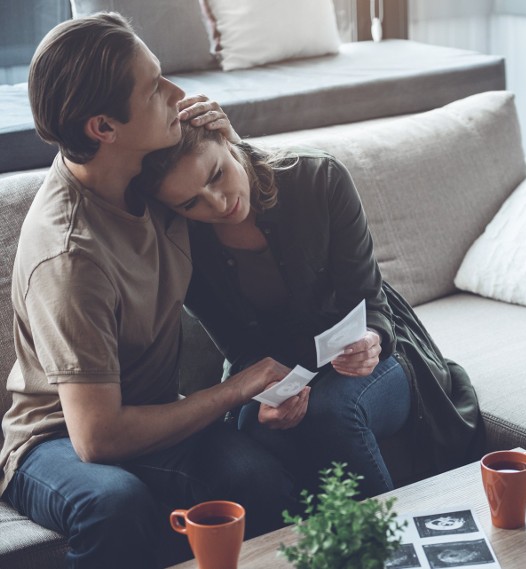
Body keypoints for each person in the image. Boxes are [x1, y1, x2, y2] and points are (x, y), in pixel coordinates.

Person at [0, 13, 301, 568]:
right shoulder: (70, 253)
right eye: (154, 86)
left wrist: (227, 141)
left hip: (152, 412)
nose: (177, 93)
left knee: (256, 475)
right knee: (115, 501)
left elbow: (250, 199)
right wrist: (237, 389)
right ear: (103, 128)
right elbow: (97, 438)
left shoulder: (151, 176)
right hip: (55, 437)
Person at [131, 122, 486, 498]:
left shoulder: (318, 178)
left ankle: (379, 549)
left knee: (333, 412)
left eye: (217, 175)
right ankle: (312, 548)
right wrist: (263, 398)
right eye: (191, 203)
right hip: (279, 365)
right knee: (256, 427)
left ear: (226, 140)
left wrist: (370, 340)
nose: (217, 203)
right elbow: (239, 348)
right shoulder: (184, 244)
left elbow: (370, 301)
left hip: (376, 346)